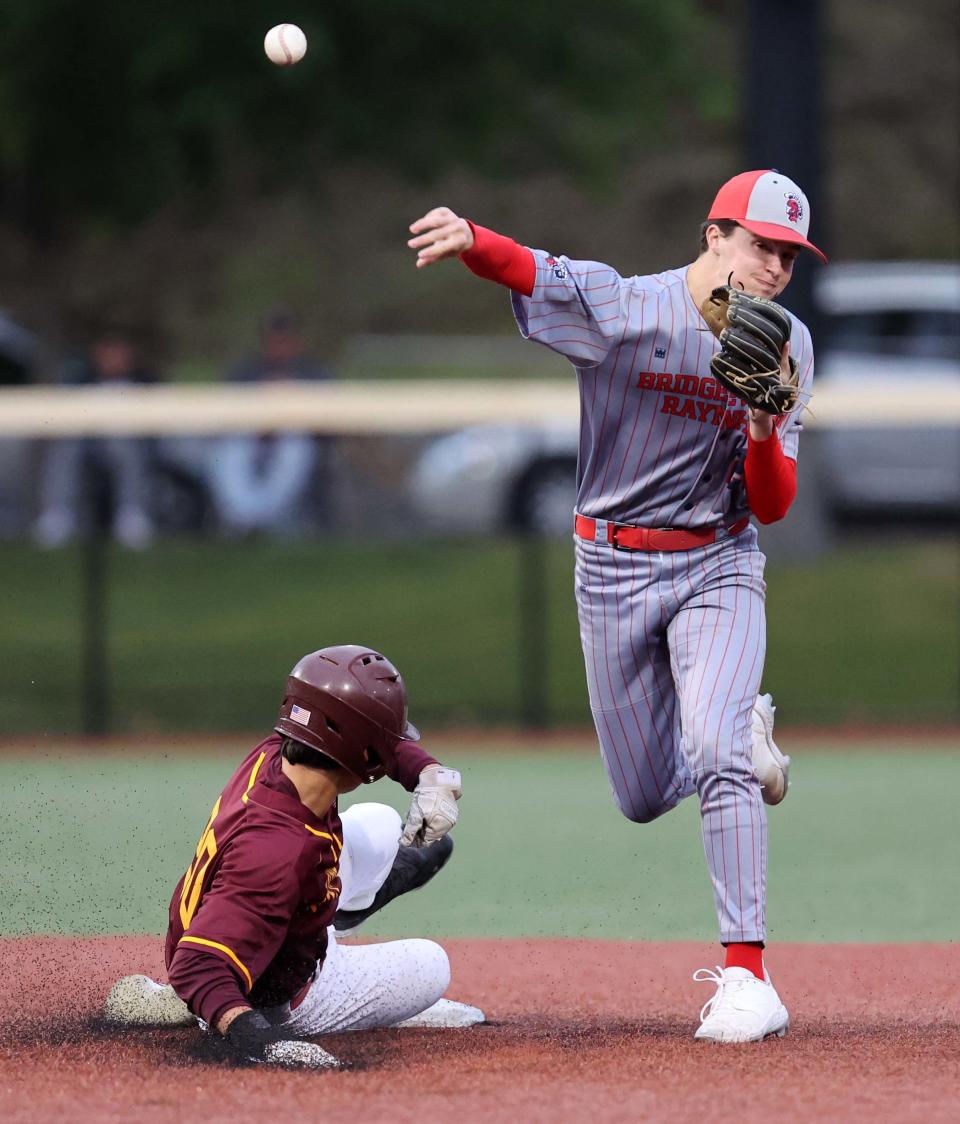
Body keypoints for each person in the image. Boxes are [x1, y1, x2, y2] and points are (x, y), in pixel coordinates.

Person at [407, 169, 826, 1043]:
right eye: (762, 245)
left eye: (790, 255)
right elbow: (537, 271)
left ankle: (749, 976)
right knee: (640, 795)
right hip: (611, 567)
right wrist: (471, 237)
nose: (777, 267)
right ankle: (738, 746)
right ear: (715, 236)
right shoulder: (629, 307)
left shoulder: (790, 345)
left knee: (711, 746)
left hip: (718, 562)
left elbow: (774, 504)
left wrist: (758, 423)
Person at [104, 644, 483, 1068]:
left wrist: (427, 773)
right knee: (431, 965)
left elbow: (360, 737)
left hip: (233, 918)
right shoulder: (276, 854)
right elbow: (197, 964)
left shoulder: (279, 750)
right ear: (362, 750)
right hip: (267, 990)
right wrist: (262, 1040)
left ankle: (321, 922)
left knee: (380, 826)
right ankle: (199, 1005)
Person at [207, 306, 333, 538]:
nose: (279, 346)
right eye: (273, 340)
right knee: (229, 451)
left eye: (285, 340)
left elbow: (329, 420)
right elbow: (224, 413)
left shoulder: (311, 372)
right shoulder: (247, 370)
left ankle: (266, 521)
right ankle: (243, 520)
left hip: (294, 440)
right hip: (250, 439)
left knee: (296, 450)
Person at [32, 323, 158, 549]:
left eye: (117, 352)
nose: (112, 358)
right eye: (106, 353)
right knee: (65, 448)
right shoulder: (81, 378)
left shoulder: (144, 380)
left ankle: (132, 516)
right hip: (89, 442)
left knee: (126, 449)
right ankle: (58, 516)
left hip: (129, 442)